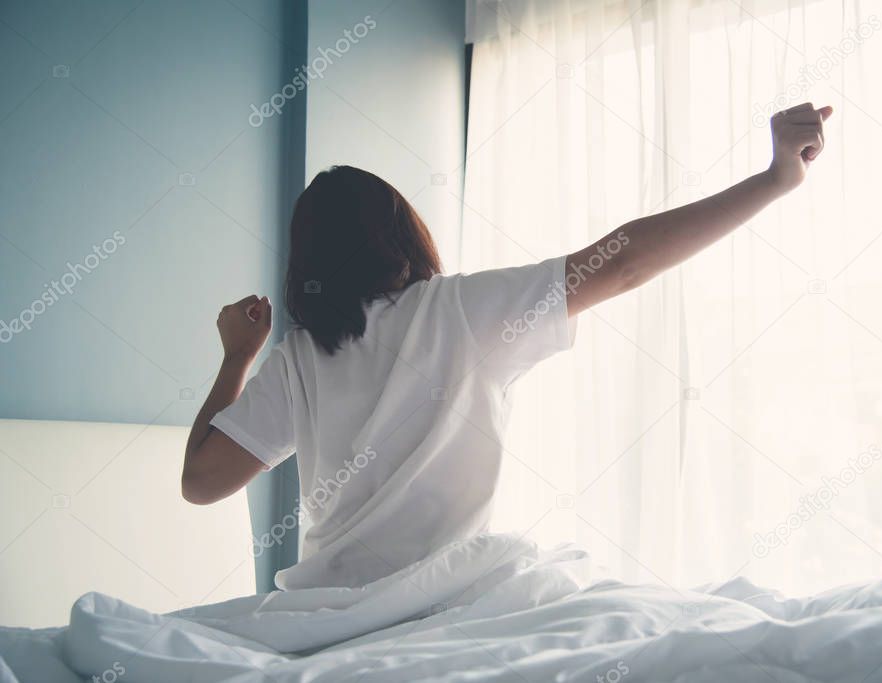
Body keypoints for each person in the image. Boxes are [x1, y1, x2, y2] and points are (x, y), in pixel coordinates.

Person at [181, 102, 833, 590]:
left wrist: (236, 356)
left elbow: (200, 481)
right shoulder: (457, 311)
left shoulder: (296, 357)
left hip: (328, 609)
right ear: (402, 235)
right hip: (452, 598)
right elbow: (623, 261)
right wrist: (773, 180)